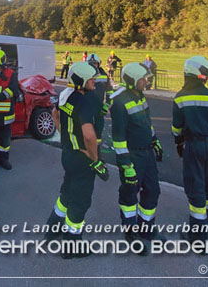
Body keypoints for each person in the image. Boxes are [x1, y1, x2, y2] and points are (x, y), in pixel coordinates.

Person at [43, 62, 109, 258]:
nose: (94, 81)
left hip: (68, 154)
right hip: (82, 158)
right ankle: (71, 247)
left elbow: (55, 115)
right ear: (81, 81)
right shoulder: (85, 101)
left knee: (67, 193)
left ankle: (52, 230)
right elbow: (89, 136)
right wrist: (95, 159)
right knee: (80, 202)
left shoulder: (66, 95)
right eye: (91, 79)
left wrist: (66, 137)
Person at [171, 56, 208, 246]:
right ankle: (204, 222)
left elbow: (177, 128)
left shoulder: (181, 97)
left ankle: (197, 238)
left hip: (194, 145)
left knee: (195, 187)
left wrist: (180, 144)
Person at [110, 63, 165, 250]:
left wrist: (155, 140)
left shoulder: (140, 96)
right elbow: (118, 139)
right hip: (132, 155)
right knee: (130, 193)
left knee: (153, 190)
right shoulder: (119, 102)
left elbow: (147, 123)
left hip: (146, 152)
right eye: (143, 79)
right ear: (133, 81)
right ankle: (130, 232)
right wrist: (126, 165)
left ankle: (147, 228)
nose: (146, 82)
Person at [86, 54, 109, 146]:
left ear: (99, 64)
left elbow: (110, 92)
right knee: (86, 128)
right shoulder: (84, 74)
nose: (93, 65)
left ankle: (97, 151)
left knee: (98, 129)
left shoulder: (103, 75)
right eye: (90, 63)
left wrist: (106, 106)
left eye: (95, 63)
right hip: (86, 106)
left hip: (99, 107)